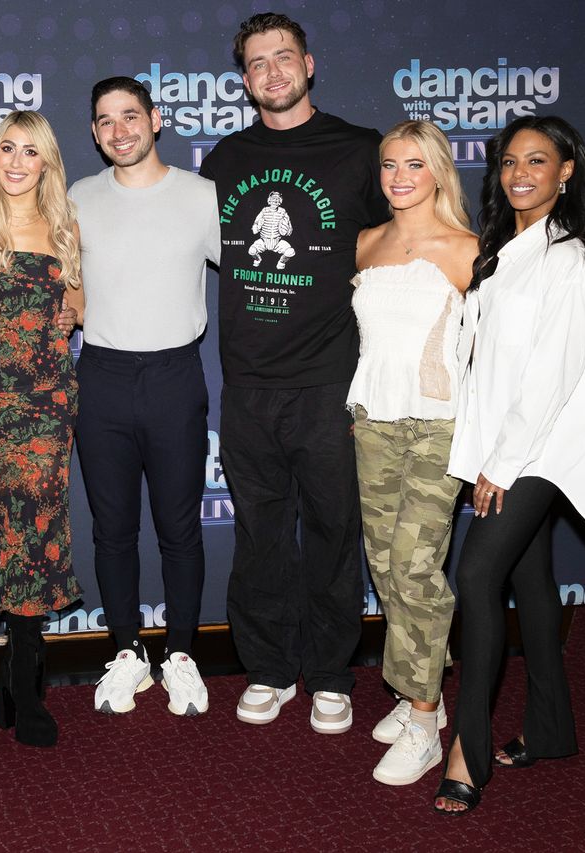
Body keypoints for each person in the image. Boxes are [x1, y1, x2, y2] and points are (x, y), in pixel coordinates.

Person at [199, 12, 387, 733]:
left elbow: (404, 237)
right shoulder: (225, 159)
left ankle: (333, 672)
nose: (272, 71)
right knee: (261, 533)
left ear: (309, 65)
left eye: (284, 57)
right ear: (244, 79)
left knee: (335, 530)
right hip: (247, 385)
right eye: (256, 62)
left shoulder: (360, 150)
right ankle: (271, 667)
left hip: (330, 381)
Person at [434, 116, 585, 814]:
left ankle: (468, 749)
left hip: (540, 449)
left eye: (538, 161)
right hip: (507, 442)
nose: (520, 173)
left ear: (566, 171)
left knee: (478, 575)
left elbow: (549, 379)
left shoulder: (568, 261)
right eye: (510, 161)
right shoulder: (507, 249)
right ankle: (552, 728)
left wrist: (500, 465)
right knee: (531, 579)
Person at [70, 77, 222, 717]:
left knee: (180, 528)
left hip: (174, 377)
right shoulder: (77, 197)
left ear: (156, 120)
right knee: (112, 529)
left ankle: (181, 655)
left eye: (130, 116)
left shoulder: (203, 196)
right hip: (100, 377)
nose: (119, 130)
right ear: (96, 133)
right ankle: (128, 651)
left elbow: (254, 277)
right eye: (105, 121)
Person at [0, 110, 83, 746]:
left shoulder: (65, 229)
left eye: (32, 151)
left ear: (47, 163)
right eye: (8, 147)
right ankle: (22, 677)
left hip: (49, 399)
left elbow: (77, 302)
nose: (18, 161)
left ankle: (22, 679)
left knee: (41, 524)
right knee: (5, 523)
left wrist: (69, 311)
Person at [346, 120, 476, 785]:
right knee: (383, 564)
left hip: (438, 427)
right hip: (373, 422)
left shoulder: (467, 250)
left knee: (414, 564)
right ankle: (420, 687)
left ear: (438, 173)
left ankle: (424, 721)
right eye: (390, 164)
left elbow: (486, 358)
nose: (399, 176)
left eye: (414, 165)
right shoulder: (368, 243)